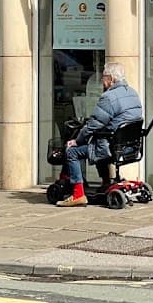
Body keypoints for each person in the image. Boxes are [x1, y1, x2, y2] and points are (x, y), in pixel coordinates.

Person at [57, 61, 142, 207]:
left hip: (110, 146)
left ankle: (78, 194)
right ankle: (105, 182)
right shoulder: (133, 93)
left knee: (72, 152)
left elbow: (94, 124)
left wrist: (77, 140)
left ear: (111, 79)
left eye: (103, 77)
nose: (102, 81)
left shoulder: (108, 97)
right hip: (129, 145)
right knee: (97, 142)